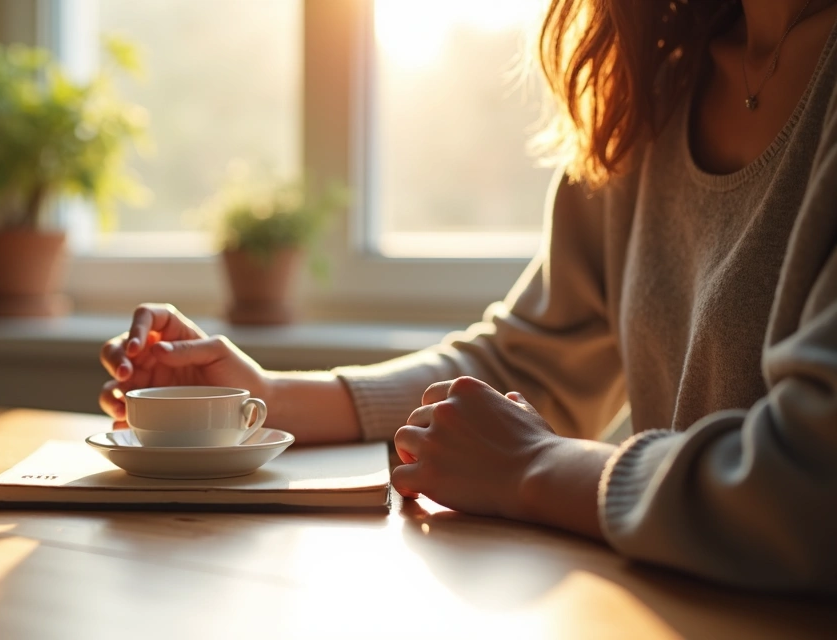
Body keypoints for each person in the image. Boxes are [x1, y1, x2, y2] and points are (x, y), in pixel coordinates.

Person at [98, 0, 837, 594]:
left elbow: (809, 482)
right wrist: (271, 399)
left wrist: (536, 467)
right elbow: (528, 362)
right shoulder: (654, 92)